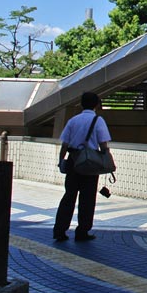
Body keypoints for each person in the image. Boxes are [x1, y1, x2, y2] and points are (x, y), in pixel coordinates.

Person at [53, 91, 115, 242]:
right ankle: (82, 231)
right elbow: (103, 144)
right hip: (91, 164)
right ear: (96, 104)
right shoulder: (98, 121)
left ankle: (60, 230)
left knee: (69, 196)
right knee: (87, 199)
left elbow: (65, 144)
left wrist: (61, 161)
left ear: (81, 104)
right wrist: (108, 160)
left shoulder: (73, 121)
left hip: (74, 161)